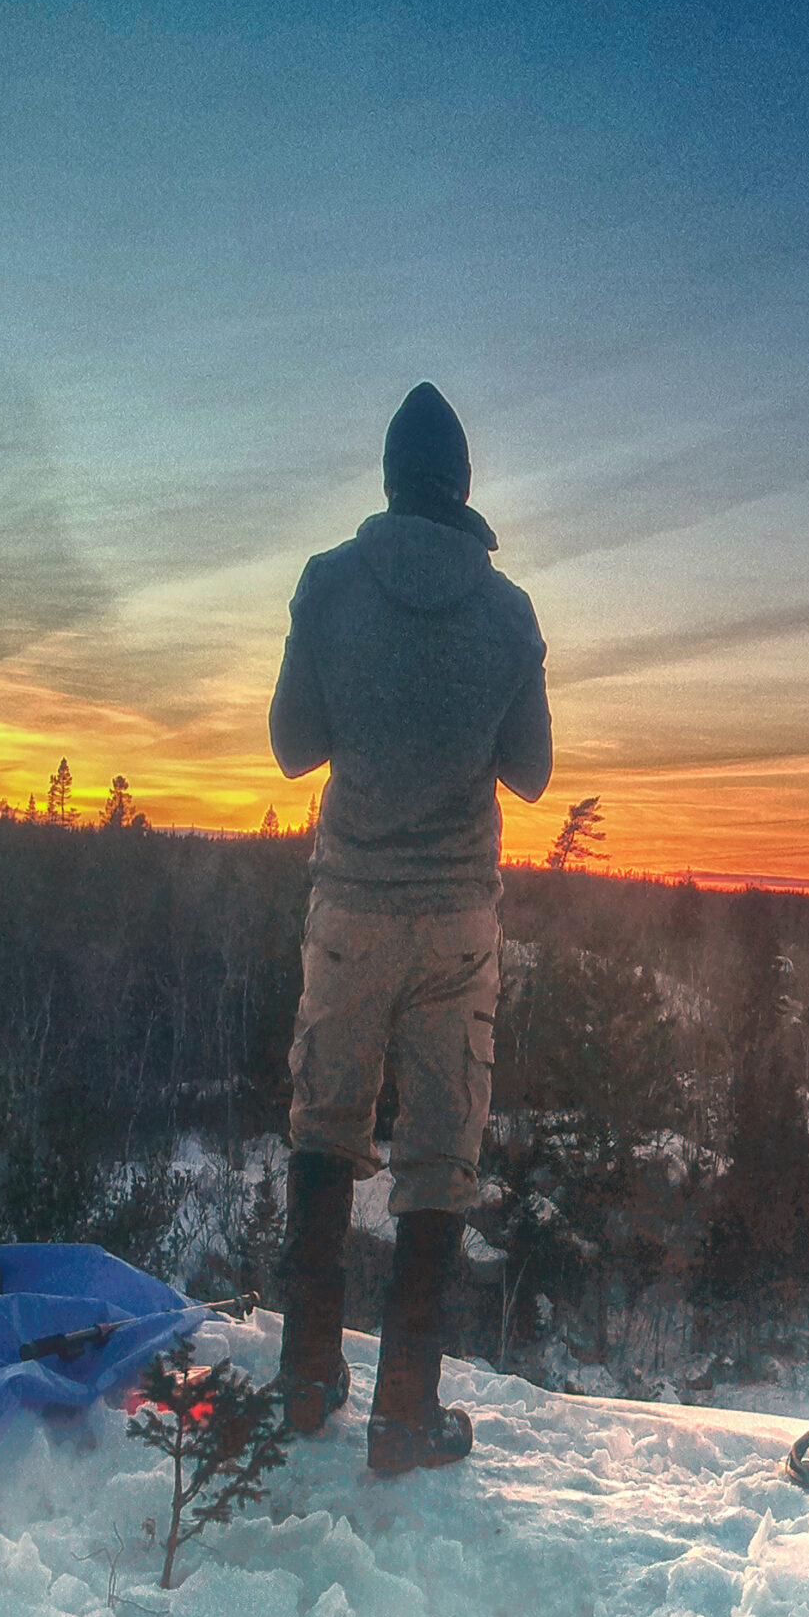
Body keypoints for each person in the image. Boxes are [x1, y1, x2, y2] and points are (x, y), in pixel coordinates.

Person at [266, 382, 552, 1474]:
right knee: (438, 1157)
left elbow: (295, 745)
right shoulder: (508, 610)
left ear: (389, 479)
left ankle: (303, 1382)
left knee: (323, 1129)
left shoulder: (328, 585)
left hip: (349, 909)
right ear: (464, 487)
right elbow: (529, 774)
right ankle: (404, 1414)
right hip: (454, 923)